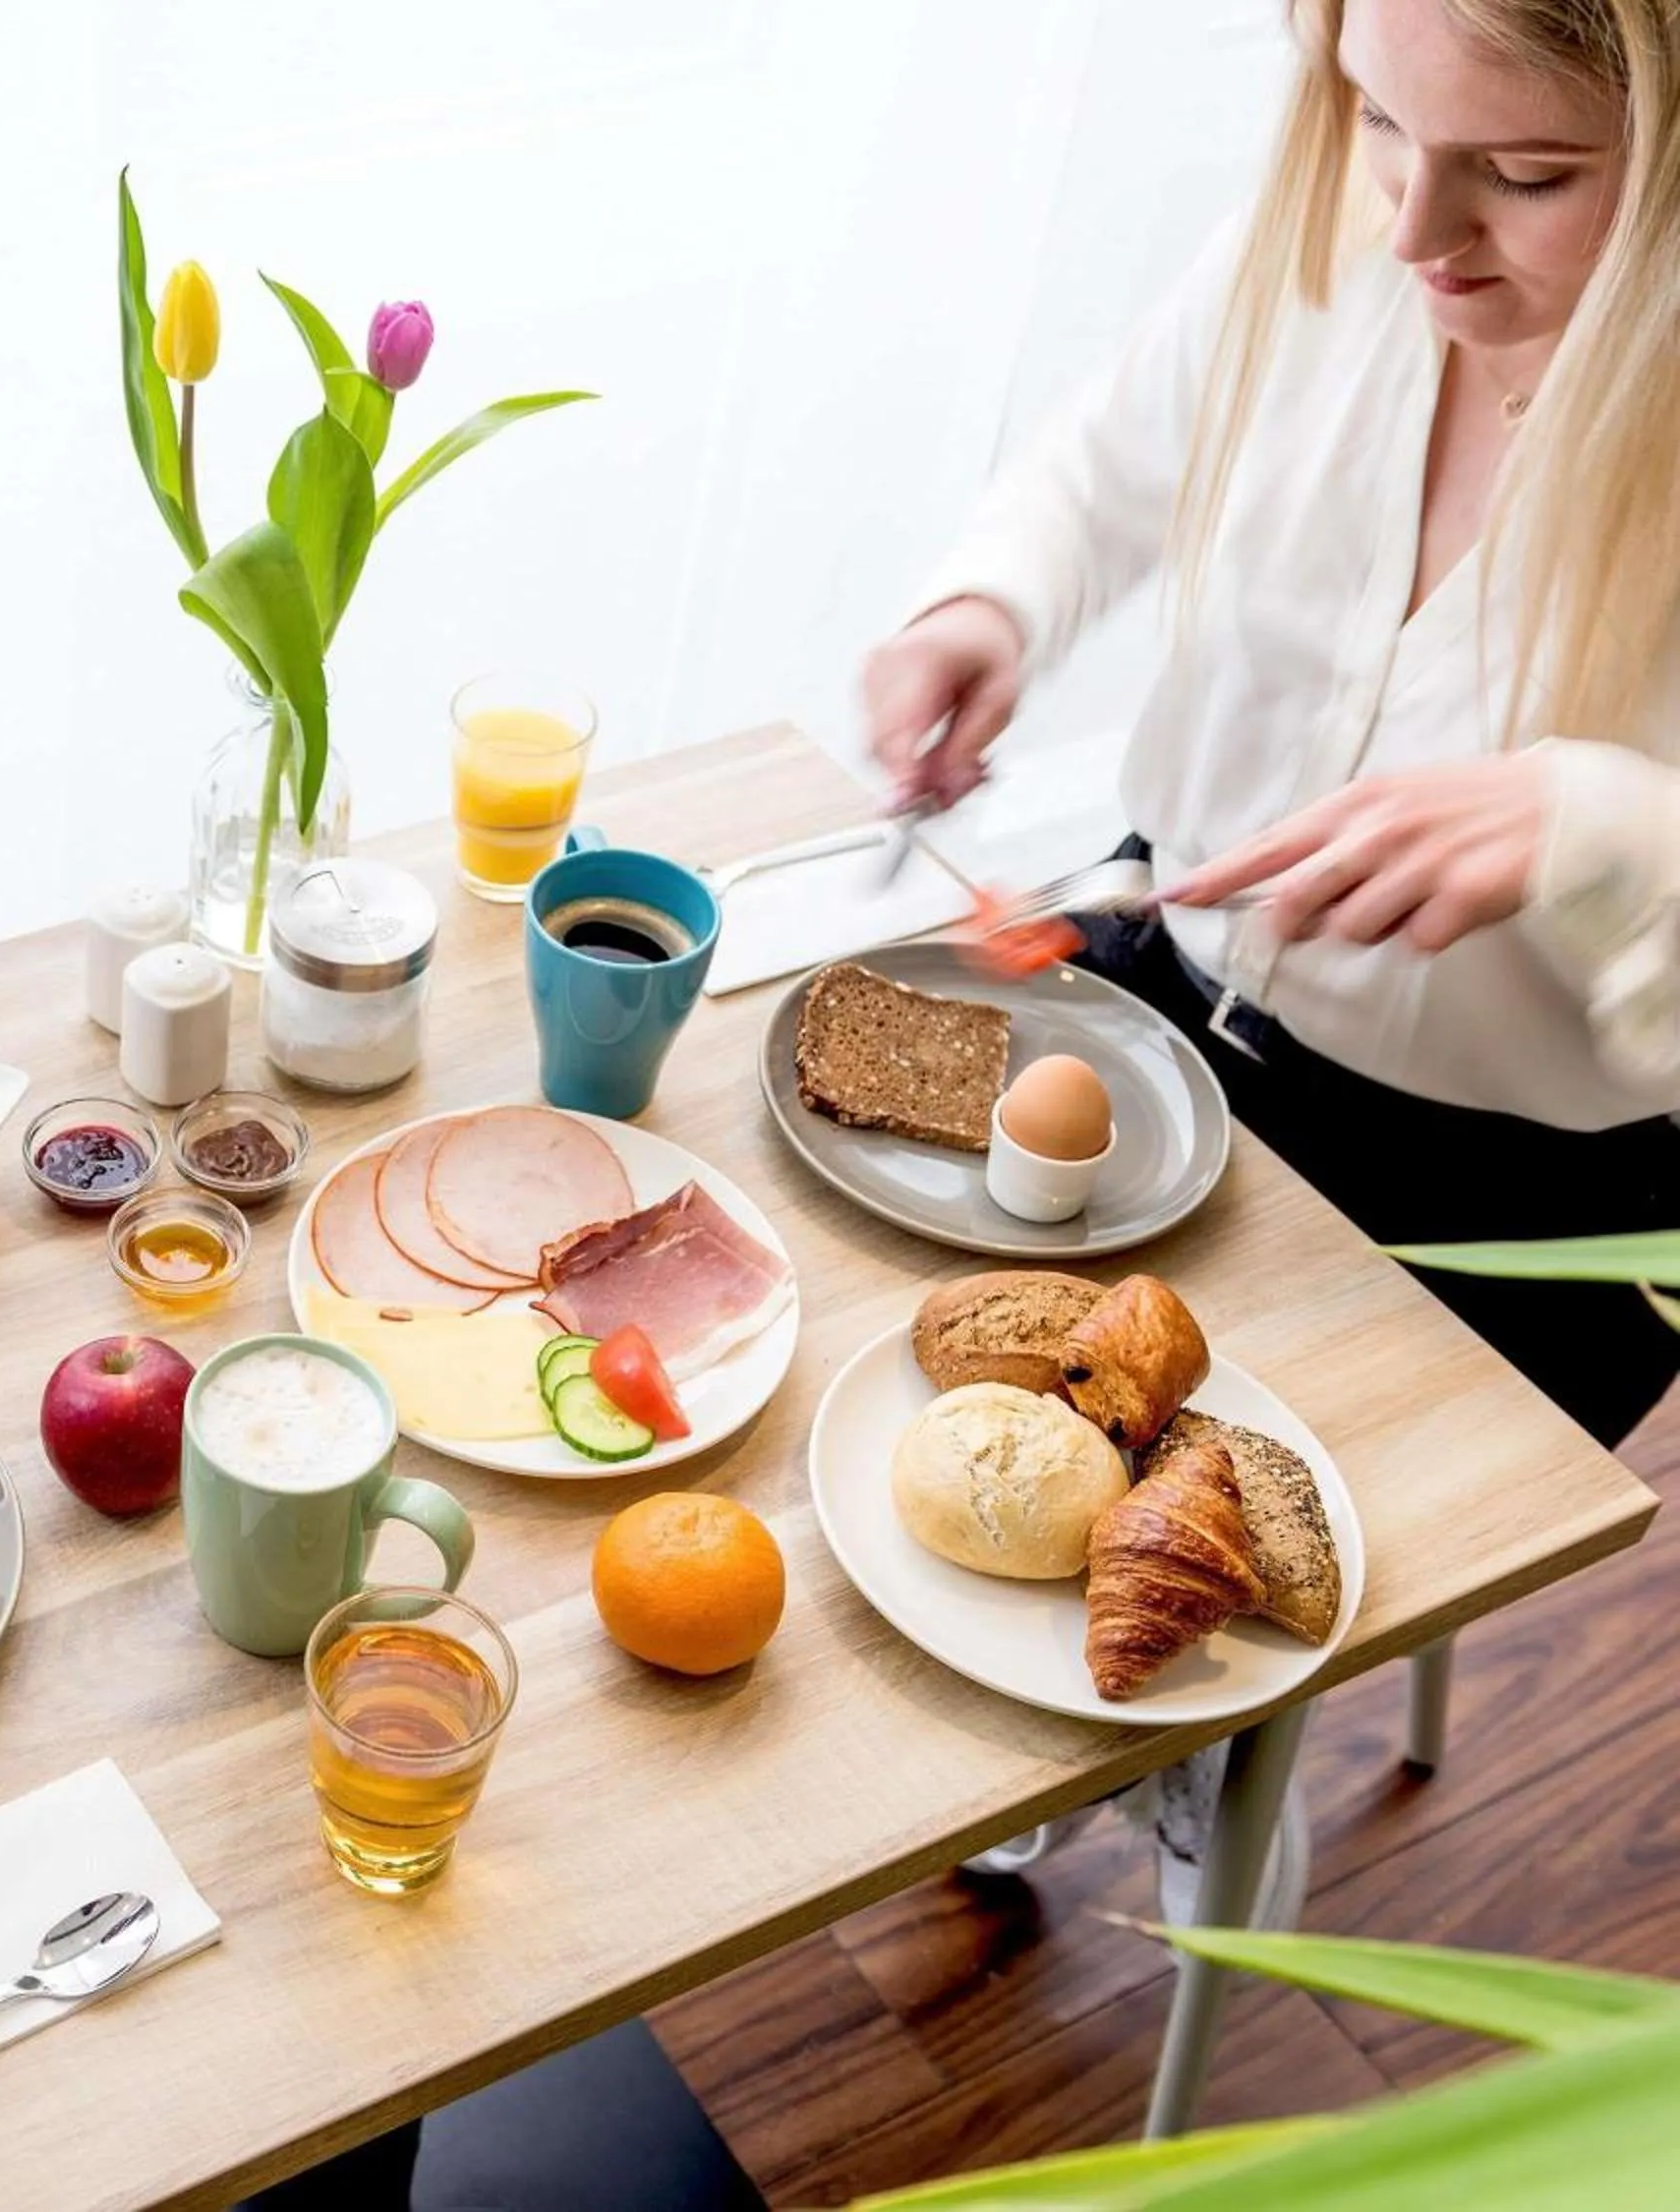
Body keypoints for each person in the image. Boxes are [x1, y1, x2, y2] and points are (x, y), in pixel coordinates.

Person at [861, 0, 1680, 1915]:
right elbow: (1106, 466)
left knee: (1198, 1539)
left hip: (1522, 1200)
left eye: (1530, 175)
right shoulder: (1341, 232)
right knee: (943, 1412)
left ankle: (1208, 1741)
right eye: (1380, 121)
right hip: (1168, 1023)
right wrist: (994, 602)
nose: (1412, 229)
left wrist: (1605, 824)